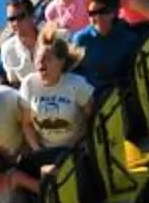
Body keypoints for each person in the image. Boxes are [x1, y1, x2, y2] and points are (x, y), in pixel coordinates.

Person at [71, 0, 149, 91]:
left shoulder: (128, 36)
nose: (97, 18)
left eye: (103, 12)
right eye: (92, 13)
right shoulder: (81, 40)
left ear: (113, 12)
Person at [22, 28, 98, 156]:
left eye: (47, 59)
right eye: (39, 58)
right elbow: (26, 124)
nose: (41, 62)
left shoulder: (76, 84)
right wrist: (38, 151)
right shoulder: (29, 84)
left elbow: (91, 115)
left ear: (61, 61)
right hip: (47, 151)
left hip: (77, 148)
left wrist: (80, 143)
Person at [0, 0, 41, 85]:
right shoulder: (7, 49)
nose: (16, 23)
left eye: (21, 16)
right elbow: (13, 82)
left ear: (32, 16)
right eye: (11, 19)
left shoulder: (53, 35)